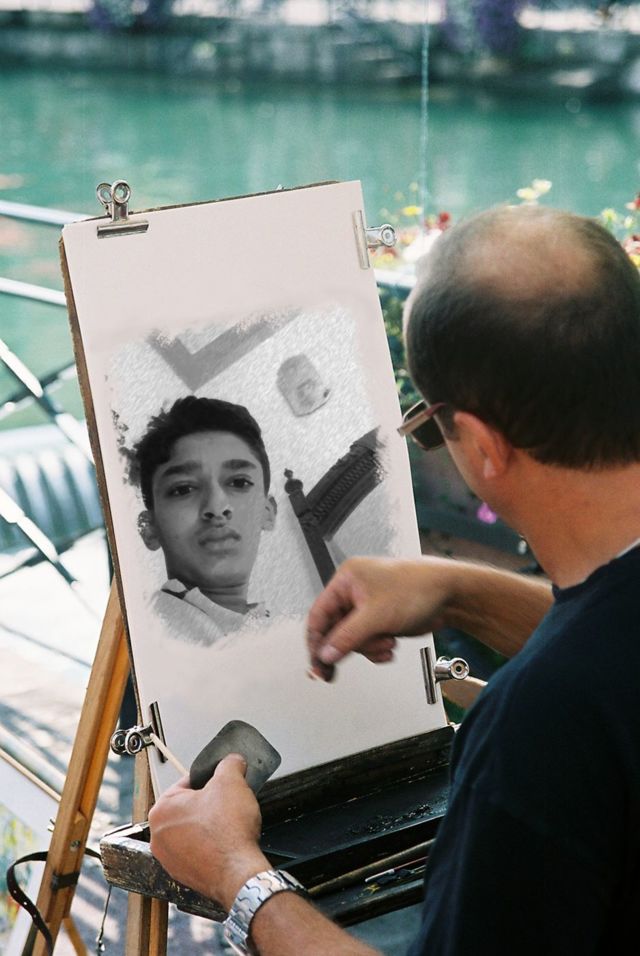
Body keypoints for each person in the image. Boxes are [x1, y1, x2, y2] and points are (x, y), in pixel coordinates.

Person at [148, 204, 640, 954]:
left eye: (429, 427)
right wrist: (459, 590)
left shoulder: (534, 731)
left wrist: (238, 877)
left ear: (480, 445)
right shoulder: (582, 685)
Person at [132, 395, 277, 647]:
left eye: (239, 482)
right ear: (149, 528)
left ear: (268, 512)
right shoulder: (148, 639)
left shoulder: (280, 633)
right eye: (183, 489)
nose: (216, 508)